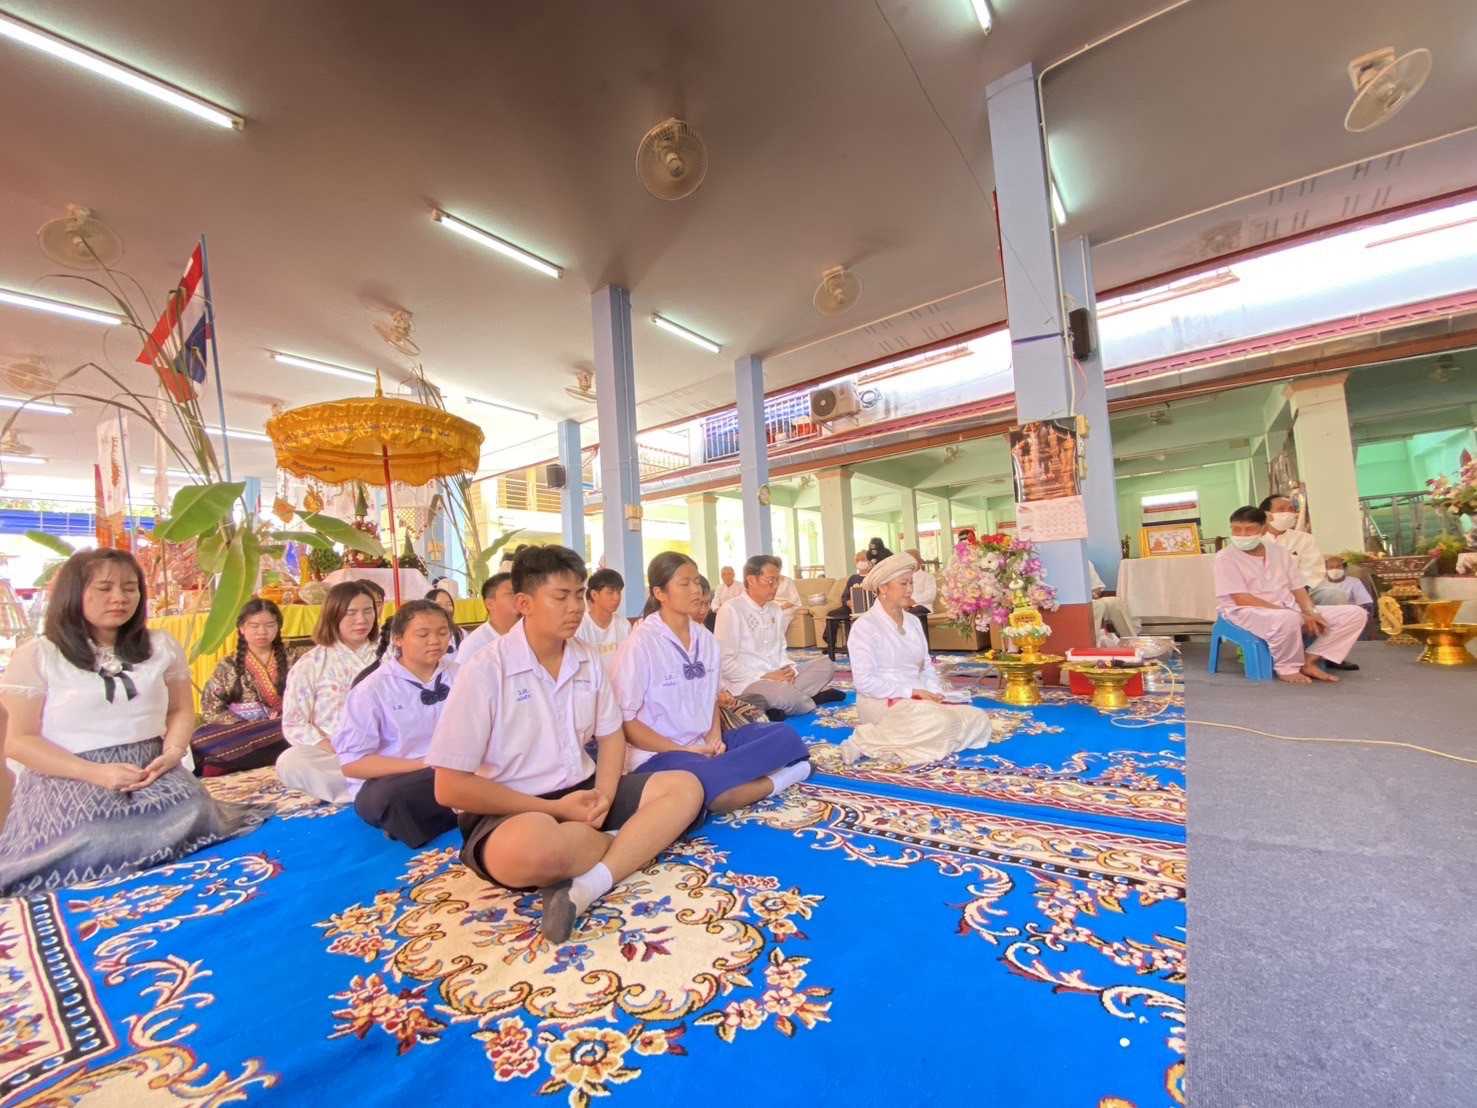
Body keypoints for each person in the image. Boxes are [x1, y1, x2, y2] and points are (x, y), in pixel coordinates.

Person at [426, 544, 704, 945]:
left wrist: (604, 796)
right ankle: (625, 842)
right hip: (513, 808)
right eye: (561, 597)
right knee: (527, 850)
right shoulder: (486, 670)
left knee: (685, 786)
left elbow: (611, 737)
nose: (575, 607)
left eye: (579, 595)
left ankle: (586, 885)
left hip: (585, 793)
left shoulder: (587, 658)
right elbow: (448, 786)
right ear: (524, 603)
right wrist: (551, 809)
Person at [0, 549, 271, 895]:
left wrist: (173, 752)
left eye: (130, 588)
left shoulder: (161, 645)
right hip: (70, 770)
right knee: (95, 833)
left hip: (151, 763)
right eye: (105, 588)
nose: (120, 598)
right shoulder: (39, 655)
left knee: (194, 811)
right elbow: (19, 739)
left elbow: (180, 711)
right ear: (73, 593)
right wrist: (97, 773)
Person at [611, 552, 811, 816]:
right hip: (659, 752)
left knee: (784, 735)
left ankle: (727, 773)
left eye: (696, 581)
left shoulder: (705, 639)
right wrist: (682, 749)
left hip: (704, 744)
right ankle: (787, 776)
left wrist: (714, 737)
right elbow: (626, 722)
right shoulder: (641, 644)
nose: (695, 589)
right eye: (685, 584)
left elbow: (712, 699)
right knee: (712, 790)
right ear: (660, 593)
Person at [837, 553, 1000, 764]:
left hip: (921, 699)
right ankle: (865, 740)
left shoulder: (913, 622)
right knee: (939, 721)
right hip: (881, 701)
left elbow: (926, 667)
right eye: (904, 583)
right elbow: (865, 682)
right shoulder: (864, 627)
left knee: (979, 720)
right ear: (883, 588)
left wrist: (934, 693)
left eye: (911, 582)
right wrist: (912, 692)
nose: (910, 589)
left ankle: (890, 747)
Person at [333, 600, 459, 847]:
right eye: (423, 634)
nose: (435, 640)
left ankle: (453, 810)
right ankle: (469, 808)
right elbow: (352, 764)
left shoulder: (466, 674)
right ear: (398, 639)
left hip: (462, 766)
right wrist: (424, 764)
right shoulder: (372, 689)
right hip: (408, 775)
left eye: (443, 633)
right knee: (390, 797)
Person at [1214, 506, 1366, 685]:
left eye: (1249, 529)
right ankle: (1287, 668)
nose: (1242, 534)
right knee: (1288, 618)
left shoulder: (1278, 552)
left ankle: (1309, 661)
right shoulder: (1225, 557)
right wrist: (1298, 614)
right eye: (1237, 529)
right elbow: (1241, 598)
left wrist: (1311, 612)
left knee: (1355, 614)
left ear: (1263, 529)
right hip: (1245, 611)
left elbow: (1298, 588)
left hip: (1288, 608)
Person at [277, 582, 381, 802]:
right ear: (333, 615)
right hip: (337, 754)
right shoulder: (311, 663)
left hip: (386, 749)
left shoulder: (390, 655)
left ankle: (370, 784)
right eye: (351, 613)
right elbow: (294, 723)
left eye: (368, 611)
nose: (361, 620)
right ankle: (370, 787)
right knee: (291, 762)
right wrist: (335, 749)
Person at [714, 554, 842, 716]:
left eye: (777, 581)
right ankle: (811, 699)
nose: (775, 586)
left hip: (778, 676)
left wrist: (787, 669)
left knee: (826, 666)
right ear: (751, 580)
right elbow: (724, 663)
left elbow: (780, 649)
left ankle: (774, 705)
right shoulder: (731, 610)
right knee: (785, 695)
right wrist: (767, 675)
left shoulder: (774, 609)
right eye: (770, 580)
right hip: (749, 682)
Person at [192, 598, 301, 775]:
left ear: (278, 627)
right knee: (200, 738)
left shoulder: (295, 660)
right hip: (243, 733)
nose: (262, 632)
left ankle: (231, 761)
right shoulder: (227, 666)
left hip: (283, 728)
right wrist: (243, 724)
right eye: (254, 626)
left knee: (292, 729)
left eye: (269, 625)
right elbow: (211, 709)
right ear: (242, 628)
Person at [1258, 495, 1348, 606]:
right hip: (1264, 595)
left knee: (1335, 595)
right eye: (1281, 509)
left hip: (1302, 593)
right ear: (1266, 514)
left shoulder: (1305, 539)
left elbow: (1313, 571)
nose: (1288, 513)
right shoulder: (1255, 541)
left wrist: (1296, 593)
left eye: (1291, 510)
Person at [460, 573, 521, 664]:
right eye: (512, 593)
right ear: (490, 604)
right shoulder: (474, 646)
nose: (520, 598)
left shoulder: (534, 635)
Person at [575, 567, 630, 667]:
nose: (617, 597)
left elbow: (629, 663)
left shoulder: (624, 625)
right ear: (595, 595)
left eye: (619, 592)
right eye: (610, 592)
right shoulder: (580, 627)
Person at [823, 550, 873, 655]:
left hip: (871, 609)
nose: (860, 562)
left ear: (870, 561)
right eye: (857, 560)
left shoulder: (874, 577)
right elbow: (844, 597)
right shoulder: (853, 578)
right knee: (832, 614)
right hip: (852, 608)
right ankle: (831, 646)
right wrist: (848, 602)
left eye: (863, 559)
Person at [1089, 562, 1140, 638]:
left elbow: (1096, 587)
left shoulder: (1086, 563)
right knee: (1098, 606)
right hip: (1073, 605)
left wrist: (1093, 594)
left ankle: (1132, 641)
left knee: (1115, 602)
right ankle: (1091, 646)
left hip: (1090, 600)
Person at [905, 549, 937, 645]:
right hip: (904, 606)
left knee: (914, 614)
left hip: (922, 606)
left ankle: (924, 650)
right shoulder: (901, 577)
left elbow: (931, 595)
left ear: (920, 560)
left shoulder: (927, 576)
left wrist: (912, 601)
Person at [425, 586, 465, 654]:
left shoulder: (461, 633)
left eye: (449, 604)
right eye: (439, 605)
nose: (445, 608)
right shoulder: (421, 633)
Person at [773, 558, 802, 633]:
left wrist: (782, 607)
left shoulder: (787, 580)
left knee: (781, 615)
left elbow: (794, 597)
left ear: (780, 568)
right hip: (772, 606)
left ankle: (779, 641)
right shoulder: (768, 581)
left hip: (787, 606)